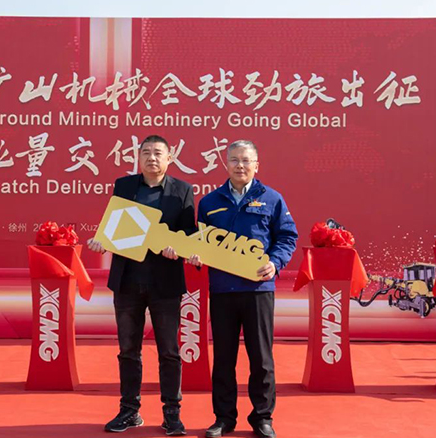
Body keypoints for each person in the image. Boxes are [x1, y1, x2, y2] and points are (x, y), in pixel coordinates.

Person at [88, 135, 195, 436]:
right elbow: (113, 227)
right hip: (128, 282)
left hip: (165, 284)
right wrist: (101, 241)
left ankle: (172, 413)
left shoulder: (182, 190)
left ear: (169, 158)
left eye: (158, 153)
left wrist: (179, 249)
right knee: (128, 350)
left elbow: (189, 233)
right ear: (138, 157)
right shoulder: (124, 186)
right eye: (146, 152)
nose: (152, 158)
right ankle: (129, 410)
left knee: (169, 351)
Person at [194, 140, 298, 438]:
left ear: (256, 165)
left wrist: (275, 263)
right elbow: (200, 241)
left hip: (258, 289)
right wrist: (197, 255)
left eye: (246, 160)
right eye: (234, 160)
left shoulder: (272, 198)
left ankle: (262, 417)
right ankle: (224, 418)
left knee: (261, 358)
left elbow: (287, 237)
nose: (240, 165)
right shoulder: (209, 202)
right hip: (222, 290)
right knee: (223, 357)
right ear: (225, 164)